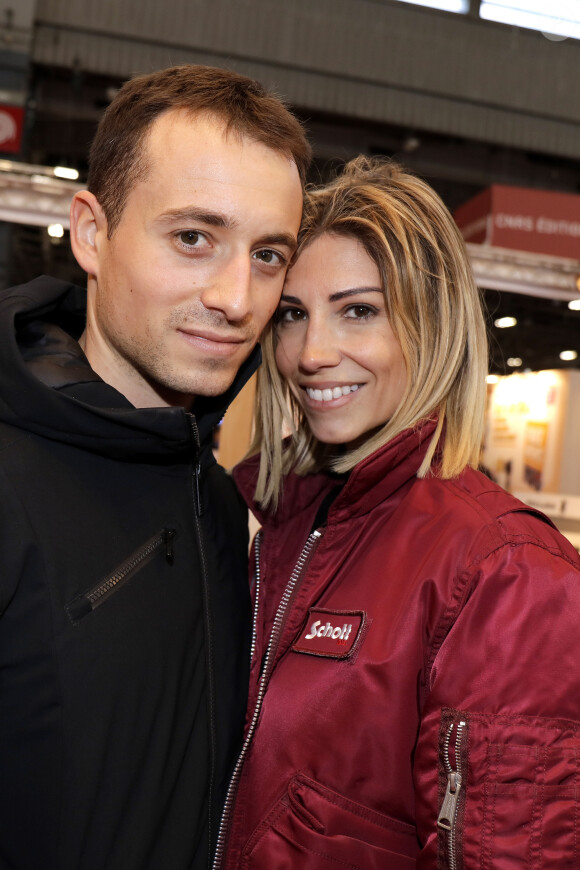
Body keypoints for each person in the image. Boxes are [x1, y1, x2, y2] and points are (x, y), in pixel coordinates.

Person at [219, 157, 580, 869]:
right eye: (293, 315)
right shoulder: (277, 525)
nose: (313, 353)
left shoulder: (505, 572)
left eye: (360, 310)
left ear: (431, 324)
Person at [0, 64, 309, 870]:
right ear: (92, 232)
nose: (238, 297)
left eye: (269, 254)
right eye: (194, 238)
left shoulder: (211, 496)